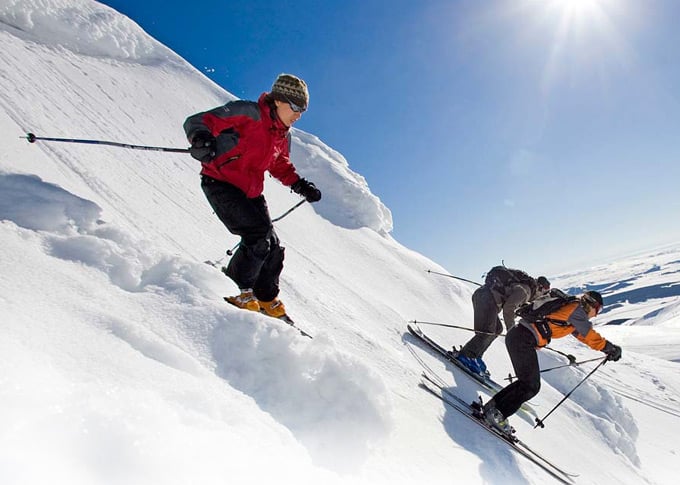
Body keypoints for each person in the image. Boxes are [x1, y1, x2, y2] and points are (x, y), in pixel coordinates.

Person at [183, 73, 322, 318]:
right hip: (221, 183)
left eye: (304, 110)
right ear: (279, 100)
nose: (299, 115)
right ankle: (238, 289)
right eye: (296, 107)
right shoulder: (248, 112)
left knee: (274, 247)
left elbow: (280, 165)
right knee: (257, 237)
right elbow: (199, 121)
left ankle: (266, 297)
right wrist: (201, 140)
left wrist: (301, 185)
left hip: (251, 192)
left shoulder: (283, 135)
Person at [481, 290, 622, 433]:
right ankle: (497, 414)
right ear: (591, 305)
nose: (597, 314)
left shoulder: (573, 311)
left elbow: (583, 336)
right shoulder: (577, 310)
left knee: (527, 383)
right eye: (598, 309)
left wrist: (606, 349)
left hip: (519, 337)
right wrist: (610, 348)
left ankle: (493, 408)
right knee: (531, 385)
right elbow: (590, 335)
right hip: (523, 339)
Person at [455, 268, 551, 376]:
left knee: (497, 329)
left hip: (485, 297)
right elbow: (509, 308)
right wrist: (512, 332)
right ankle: (466, 355)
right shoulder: (526, 291)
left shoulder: (526, 289)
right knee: (488, 331)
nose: (541, 297)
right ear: (540, 288)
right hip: (486, 299)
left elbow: (510, 308)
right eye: (544, 293)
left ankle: (476, 356)